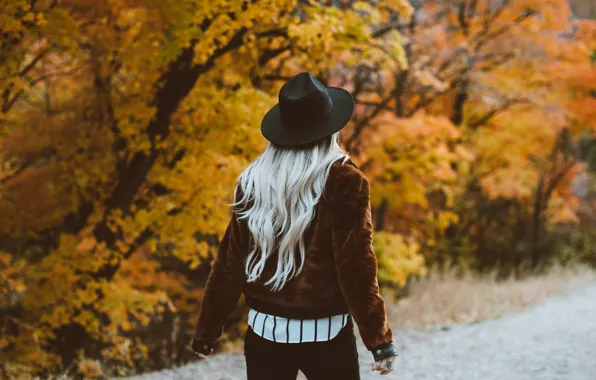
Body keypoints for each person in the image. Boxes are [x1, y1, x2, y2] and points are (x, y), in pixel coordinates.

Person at [192, 72, 398, 379]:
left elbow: (229, 264)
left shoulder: (253, 181)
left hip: (264, 335)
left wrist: (206, 331)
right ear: (330, 130)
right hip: (327, 337)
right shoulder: (344, 181)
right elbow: (356, 267)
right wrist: (379, 341)